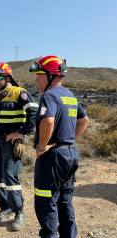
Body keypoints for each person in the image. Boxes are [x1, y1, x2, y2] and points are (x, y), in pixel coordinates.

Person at [29, 56, 89, 238]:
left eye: (39, 74)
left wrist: (41, 148)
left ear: (51, 75)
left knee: (46, 202)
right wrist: (68, 141)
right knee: (65, 200)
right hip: (70, 154)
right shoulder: (70, 96)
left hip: (52, 158)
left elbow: (48, 120)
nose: (36, 79)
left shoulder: (49, 95)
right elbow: (83, 121)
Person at [0, 62, 38, 231]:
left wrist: (21, 133)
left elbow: (33, 111)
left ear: (7, 77)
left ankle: (19, 211)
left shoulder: (19, 93)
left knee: (10, 176)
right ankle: (5, 208)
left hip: (10, 142)